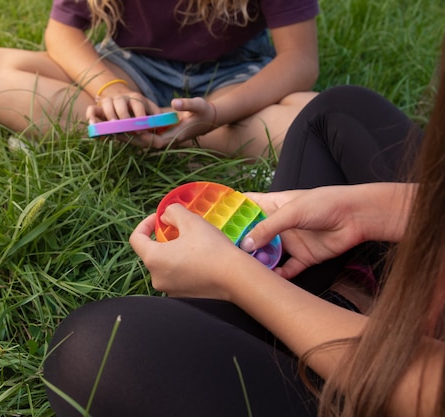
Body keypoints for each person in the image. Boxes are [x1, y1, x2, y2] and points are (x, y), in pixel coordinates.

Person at [41, 40, 445, 415]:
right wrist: (375, 209)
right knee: (337, 111)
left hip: (397, 382)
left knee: (91, 349)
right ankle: (351, 301)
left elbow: (423, 387)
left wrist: (236, 277)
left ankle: (339, 310)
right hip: (414, 307)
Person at [0, 0, 320, 157]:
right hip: (128, 68)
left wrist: (218, 113)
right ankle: (168, 139)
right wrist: (111, 89)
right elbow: (61, 33)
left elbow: (300, 59)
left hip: (232, 80)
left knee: (314, 118)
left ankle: (146, 138)